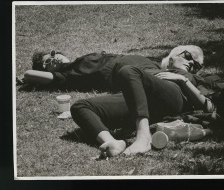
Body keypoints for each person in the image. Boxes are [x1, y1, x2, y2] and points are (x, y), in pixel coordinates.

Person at [70, 45, 216, 157]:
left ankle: (143, 137)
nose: (192, 63)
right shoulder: (150, 67)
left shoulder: (194, 79)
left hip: (172, 96)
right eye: (189, 56)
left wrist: (183, 80)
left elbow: (209, 107)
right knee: (80, 106)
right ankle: (112, 142)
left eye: (197, 66)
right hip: (137, 97)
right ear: (172, 57)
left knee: (128, 71)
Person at [21, 45, 203, 91]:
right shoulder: (72, 74)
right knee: (168, 79)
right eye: (46, 64)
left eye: (52, 55)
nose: (52, 60)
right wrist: (26, 78)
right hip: (133, 72)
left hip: (142, 66)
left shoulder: (77, 61)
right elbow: (29, 74)